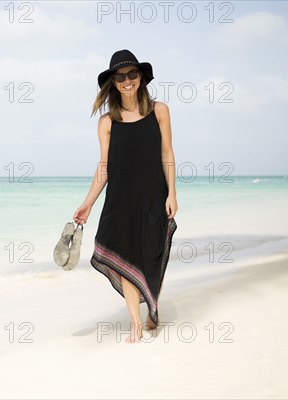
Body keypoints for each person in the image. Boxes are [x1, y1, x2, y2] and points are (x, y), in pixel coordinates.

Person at [73, 49, 178, 343]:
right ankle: (135, 322)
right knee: (127, 256)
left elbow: (167, 153)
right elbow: (104, 168)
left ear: (141, 76)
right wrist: (88, 203)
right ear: (114, 83)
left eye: (132, 74)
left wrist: (172, 193)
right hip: (120, 200)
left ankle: (152, 303)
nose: (127, 80)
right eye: (120, 77)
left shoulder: (160, 111)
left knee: (152, 252)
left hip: (153, 195)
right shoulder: (107, 122)